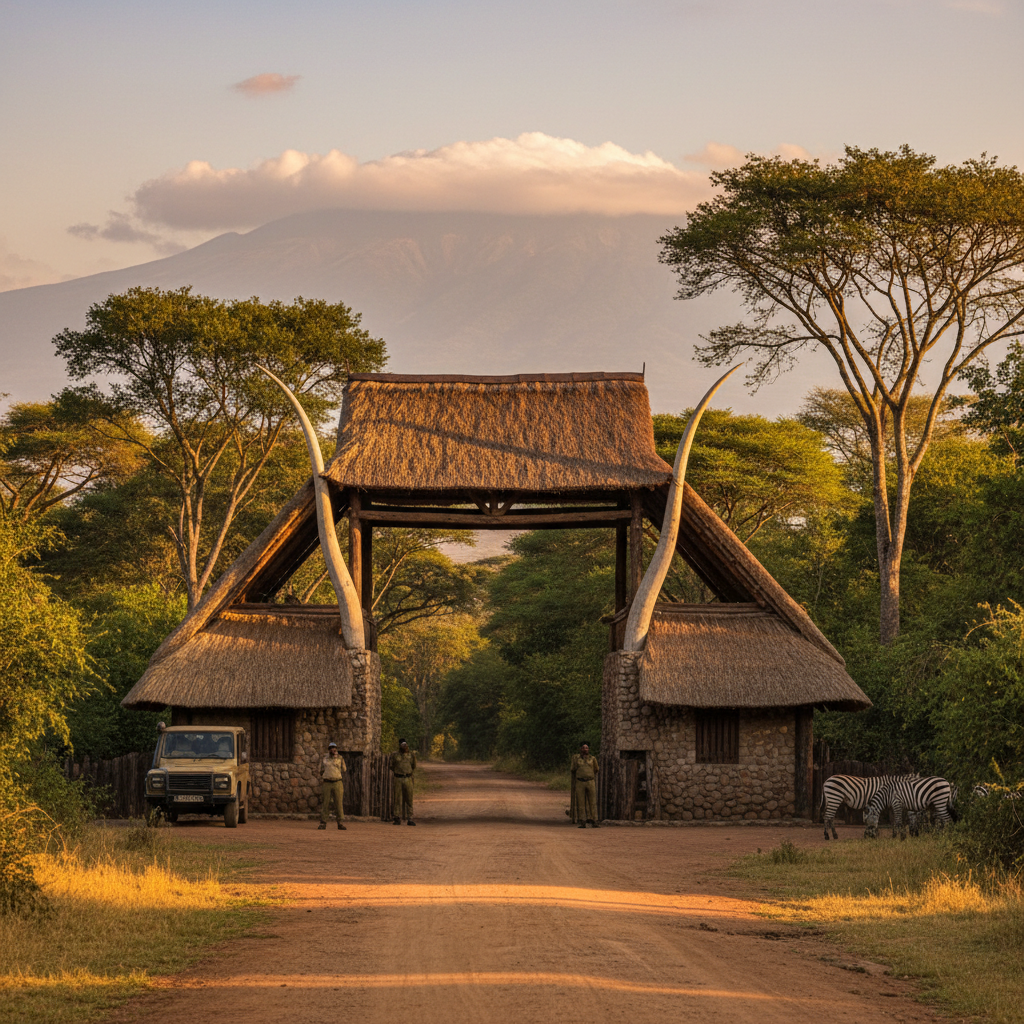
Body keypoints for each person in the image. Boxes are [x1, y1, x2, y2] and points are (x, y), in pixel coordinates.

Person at [318, 741, 347, 830]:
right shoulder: (324, 758)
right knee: (325, 802)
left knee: (338, 803)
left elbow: (344, 769)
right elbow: (321, 770)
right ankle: (323, 822)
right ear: (329, 749)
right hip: (327, 782)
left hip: (337, 782)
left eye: (334, 747)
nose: (333, 749)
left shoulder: (340, 758)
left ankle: (340, 822)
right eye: (331, 748)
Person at [571, 742, 600, 828]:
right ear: (581, 749)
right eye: (583, 748)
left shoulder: (592, 758)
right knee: (581, 802)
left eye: (586, 748)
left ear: (589, 749)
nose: (585, 749)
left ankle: (595, 820)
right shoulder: (577, 759)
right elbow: (573, 769)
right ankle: (582, 821)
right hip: (580, 782)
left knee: (593, 802)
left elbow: (596, 769)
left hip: (590, 781)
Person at [390, 738, 417, 826]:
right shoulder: (395, 755)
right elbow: (391, 765)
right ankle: (397, 817)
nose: (404, 746)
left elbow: (414, 766)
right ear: (399, 745)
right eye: (402, 744)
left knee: (409, 798)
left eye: (405, 744)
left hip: (408, 778)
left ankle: (410, 818)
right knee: (397, 798)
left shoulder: (411, 755)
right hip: (398, 778)